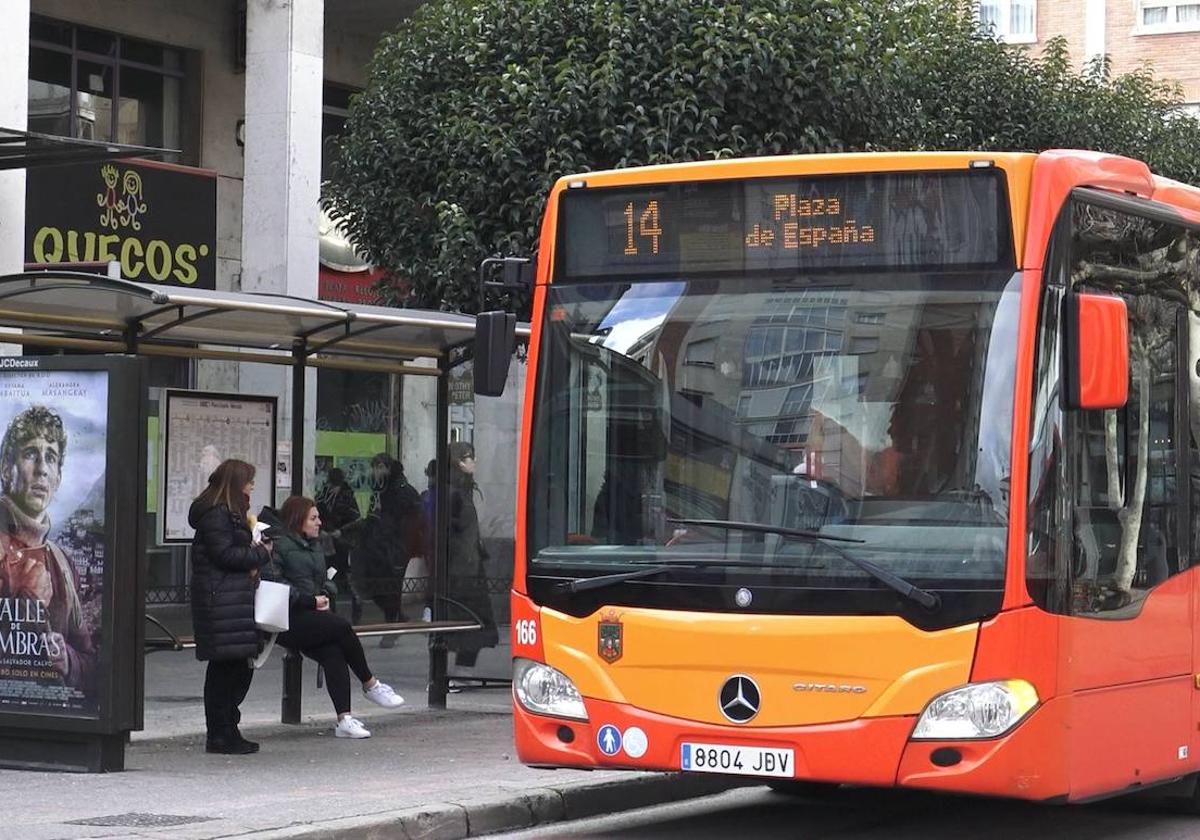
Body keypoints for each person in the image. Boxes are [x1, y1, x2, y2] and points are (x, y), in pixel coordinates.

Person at [262, 495, 404, 739]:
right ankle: (371, 684)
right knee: (342, 627)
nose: (319, 522)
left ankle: (344, 720)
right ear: (299, 520)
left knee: (333, 653)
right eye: (313, 518)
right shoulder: (279, 545)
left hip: (313, 614)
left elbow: (327, 577)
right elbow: (276, 582)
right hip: (289, 618)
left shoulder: (314, 545)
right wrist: (310, 600)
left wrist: (327, 592)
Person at [0, 406, 95, 689]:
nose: (42, 468)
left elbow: (89, 659)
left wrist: (67, 660)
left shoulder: (61, 562)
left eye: (51, 458)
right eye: (30, 453)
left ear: (58, 478)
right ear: (7, 468)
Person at [189, 459, 272, 755]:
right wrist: (260, 553)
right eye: (249, 480)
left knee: (237, 667)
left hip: (231, 600)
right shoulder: (216, 514)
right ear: (236, 483)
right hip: (220, 600)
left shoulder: (231, 512)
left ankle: (228, 729)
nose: (252, 485)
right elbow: (224, 555)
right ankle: (220, 733)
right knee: (226, 669)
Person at [356, 454, 425, 637]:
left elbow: (408, 522)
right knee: (376, 586)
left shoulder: (401, 490)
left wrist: (401, 545)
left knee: (391, 587)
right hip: (378, 546)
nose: (375, 472)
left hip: (394, 547)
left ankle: (391, 627)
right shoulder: (381, 489)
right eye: (374, 467)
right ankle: (396, 617)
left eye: (378, 467)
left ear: (386, 467)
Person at [445, 442, 499, 668]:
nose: (473, 461)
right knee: (465, 621)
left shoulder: (465, 489)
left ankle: (461, 670)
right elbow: (448, 528)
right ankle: (453, 673)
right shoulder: (453, 492)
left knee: (474, 623)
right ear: (459, 462)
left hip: (470, 564)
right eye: (469, 457)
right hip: (460, 568)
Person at [315, 467, 362, 622]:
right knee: (329, 575)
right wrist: (320, 530)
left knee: (343, 576)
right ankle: (332, 611)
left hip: (342, 544)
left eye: (335, 486)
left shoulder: (347, 497)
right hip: (327, 543)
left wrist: (341, 532)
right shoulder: (323, 495)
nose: (332, 489)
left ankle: (353, 610)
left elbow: (356, 520)